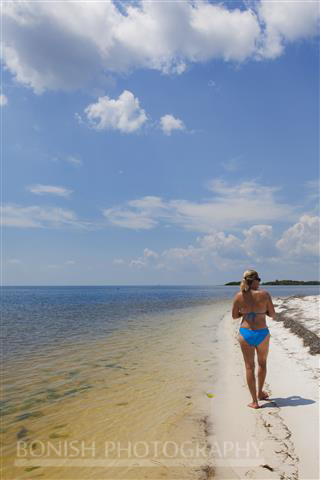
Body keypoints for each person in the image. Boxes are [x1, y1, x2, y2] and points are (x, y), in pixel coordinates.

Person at [231, 269, 276, 409]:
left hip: (246, 333)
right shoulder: (265, 294)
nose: (259, 282)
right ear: (255, 280)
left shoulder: (239, 296)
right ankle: (260, 393)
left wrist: (245, 313)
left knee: (249, 367)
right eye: (259, 279)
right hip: (262, 333)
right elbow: (273, 314)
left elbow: (234, 316)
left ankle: (255, 402)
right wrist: (262, 312)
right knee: (262, 363)